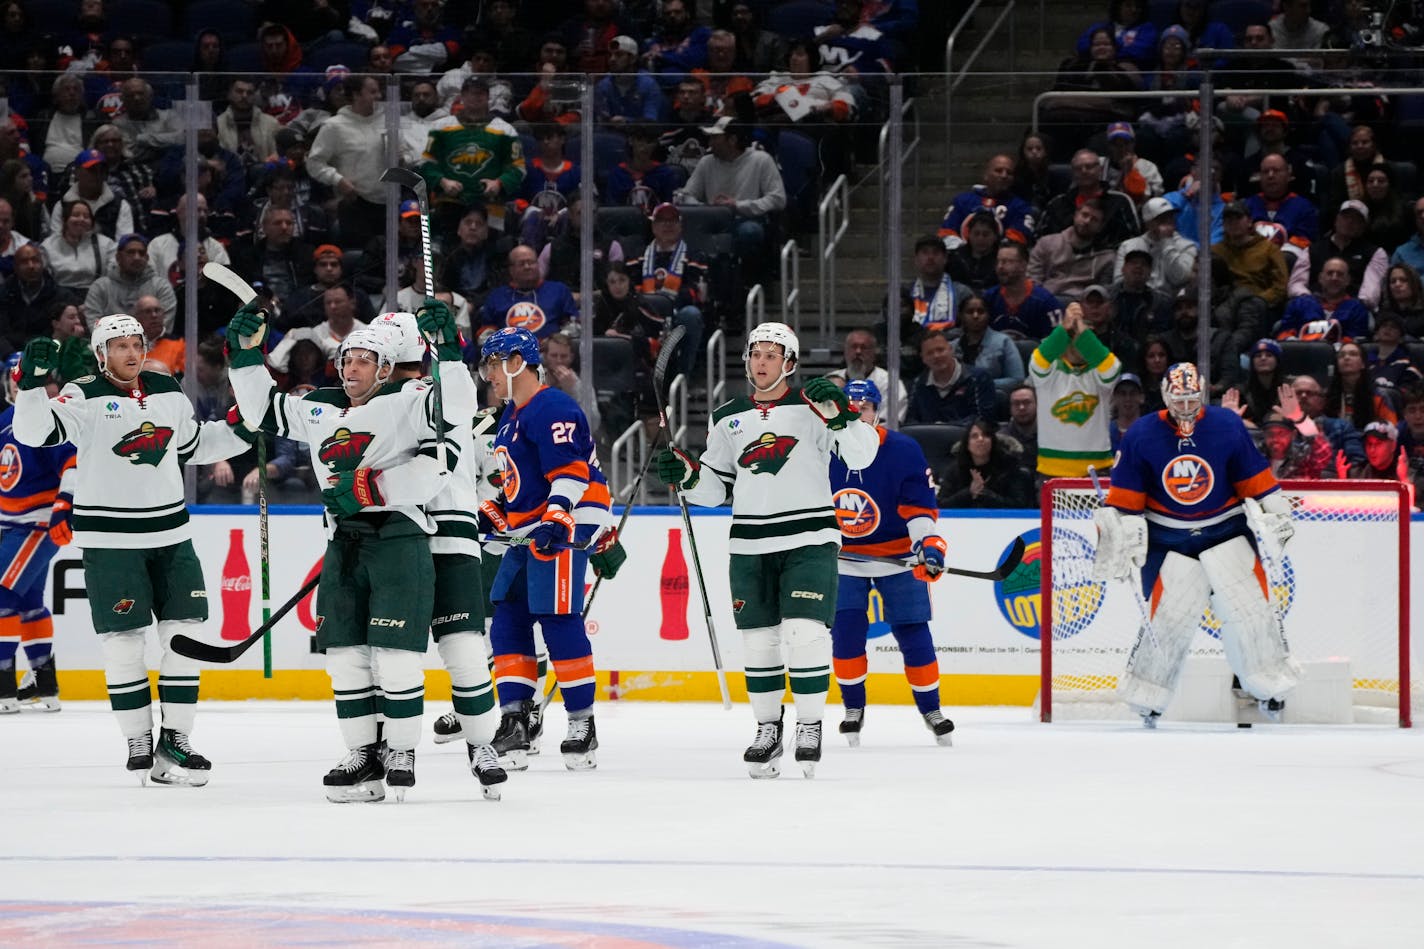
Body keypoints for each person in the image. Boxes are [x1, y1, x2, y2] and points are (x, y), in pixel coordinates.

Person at [225, 303, 459, 803]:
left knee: (395, 657)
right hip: (344, 542)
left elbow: (451, 425)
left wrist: (453, 353)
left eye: (363, 360)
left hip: (398, 536)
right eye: (347, 359)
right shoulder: (319, 409)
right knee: (346, 653)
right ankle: (361, 753)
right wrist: (244, 357)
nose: (351, 367)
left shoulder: (411, 398)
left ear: (386, 368)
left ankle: (400, 750)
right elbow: (259, 410)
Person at [13, 314, 253, 784]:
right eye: (118, 345)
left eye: (136, 343)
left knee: (184, 639)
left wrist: (242, 427)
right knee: (123, 643)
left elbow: (193, 444)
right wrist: (31, 386)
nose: (130, 352)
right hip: (111, 542)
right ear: (101, 355)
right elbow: (34, 434)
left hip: (171, 536)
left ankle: (176, 740)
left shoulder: (167, 392)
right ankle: (138, 738)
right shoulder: (83, 394)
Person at [656, 322, 878, 778]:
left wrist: (839, 415)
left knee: (805, 632)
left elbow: (862, 455)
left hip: (810, 538)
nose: (762, 362)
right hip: (750, 542)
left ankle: (811, 724)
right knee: (758, 641)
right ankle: (767, 728)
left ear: (790, 363)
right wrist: (688, 475)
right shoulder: (726, 416)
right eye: (756, 353)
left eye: (772, 355)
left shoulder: (816, 406)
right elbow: (718, 488)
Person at [1096, 362, 1299, 727]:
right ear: (1164, 394)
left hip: (1226, 529)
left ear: (1202, 392)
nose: (1186, 407)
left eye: (1192, 399)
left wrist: (1277, 514)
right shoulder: (1141, 434)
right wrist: (1120, 532)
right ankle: (1149, 696)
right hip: (1166, 538)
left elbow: (1255, 480)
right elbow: (1124, 502)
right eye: (1179, 399)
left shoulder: (1226, 425)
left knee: (1250, 613)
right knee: (1169, 620)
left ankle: (1270, 688)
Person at [369, 307, 509, 797]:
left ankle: (476, 744)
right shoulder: (367, 403)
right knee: (403, 653)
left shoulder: (443, 394)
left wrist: (451, 354)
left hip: (446, 532)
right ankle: (403, 745)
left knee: (460, 649)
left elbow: (457, 407)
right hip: (394, 535)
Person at [476, 327, 618, 771]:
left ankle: (581, 723)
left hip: (561, 523)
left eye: (493, 364)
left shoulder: (552, 404)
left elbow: (571, 471)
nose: (488, 375)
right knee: (508, 620)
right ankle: (515, 719)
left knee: (557, 620)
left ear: (518, 361)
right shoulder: (510, 418)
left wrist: (558, 514)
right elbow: (520, 482)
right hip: (530, 527)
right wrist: (495, 508)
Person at [827, 380, 955, 745]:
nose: (856, 413)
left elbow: (917, 508)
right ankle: (853, 708)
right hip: (844, 558)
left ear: (877, 411)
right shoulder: (823, 448)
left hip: (897, 556)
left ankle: (932, 708)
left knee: (914, 634)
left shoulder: (902, 450)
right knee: (847, 634)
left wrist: (927, 544)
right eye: (848, 407)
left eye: (863, 407)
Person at [0, 356, 75, 713]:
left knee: (1, 594)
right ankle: (45, 686)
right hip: (11, 525)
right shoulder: (4, 420)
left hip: (38, 524)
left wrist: (65, 503)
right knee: (28, 602)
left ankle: (2, 686)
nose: (19, 384)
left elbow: (71, 463)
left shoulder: (50, 420)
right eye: (16, 378)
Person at [421, 76, 526, 240]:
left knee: (494, 249)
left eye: (480, 93)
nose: (475, 97)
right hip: (450, 202)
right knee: (447, 248)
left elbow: (517, 169)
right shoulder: (440, 127)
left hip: (491, 204)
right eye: (471, 93)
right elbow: (427, 165)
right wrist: (443, 181)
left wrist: (499, 183)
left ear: (487, 97)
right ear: (462, 96)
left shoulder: (505, 130)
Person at [1029, 301, 1122, 479]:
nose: (1077, 341)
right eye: (1072, 336)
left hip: (1096, 471)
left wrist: (1081, 328)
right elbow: (1038, 360)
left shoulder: (1099, 374)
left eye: (1083, 336)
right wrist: (1064, 328)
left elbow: (1112, 368)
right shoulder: (1048, 374)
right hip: (1052, 472)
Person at [625, 203, 707, 378]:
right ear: (653, 226)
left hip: (677, 313)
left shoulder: (694, 255)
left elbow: (695, 290)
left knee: (691, 315)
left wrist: (667, 305)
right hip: (644, 313)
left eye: (672, 221)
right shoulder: (637, 255)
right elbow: (631, 286)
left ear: (680, 226)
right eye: (662, 221)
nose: (667, 225)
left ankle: (683, 376)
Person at [83, 234, 177, 333]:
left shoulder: (161, 287)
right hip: (110, 345)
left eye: (141, 253)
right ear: (118, 257)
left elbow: (163, 327)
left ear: (147, 258)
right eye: (130, 252)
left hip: (152, 346)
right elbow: (94, 325)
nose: (137, 257)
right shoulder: (100, 287)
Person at [938, 153, 1034, 248]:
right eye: (998, 171)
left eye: (1009, 173)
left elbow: (1018, 237)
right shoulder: (962, 201)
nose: (1004, 175)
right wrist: (965, 252)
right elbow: (947, 231)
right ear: (986, 175)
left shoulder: (1020, 206)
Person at [937, 417, 1035, 509]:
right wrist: (968, 492)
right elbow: (941, 505)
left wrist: (985, 494)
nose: (980, 439)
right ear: (967, 444)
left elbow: (1019, 506)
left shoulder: (1010, 467)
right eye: (974, 436)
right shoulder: (955, 469)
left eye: (986, 435)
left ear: (992, 441)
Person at [905, 331, 996, 426]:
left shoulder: (979, 378)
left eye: (940, 350)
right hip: (928, 439)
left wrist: (945, 429)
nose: (936, 356)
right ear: (923, 358)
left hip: (966, 439)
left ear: (951, 350)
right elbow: (911, 421)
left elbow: (983, 419)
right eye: (929, 353)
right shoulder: (916, 385)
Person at [983, 240, 1064, 341]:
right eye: (998, 261)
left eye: (1008, 262)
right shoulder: (989, 298)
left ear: (1023, 265)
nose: (1000, 267)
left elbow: (1057, 342)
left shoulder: (1046, 302)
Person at [825, 328, 908, 425]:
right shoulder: (830, 380)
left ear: (874, 353)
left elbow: (889, 423)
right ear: (845, 351)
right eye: (853, 347)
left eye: (864, 347)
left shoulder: (891, 383)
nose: (858, 351)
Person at [954, 292, 1026, 393]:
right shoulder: (952, 347)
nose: (975, 316)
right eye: (970, 312)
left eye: (981, 311)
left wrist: (981, 384)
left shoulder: (1003, 342)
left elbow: (1017, 380)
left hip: (993, 398)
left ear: (988, 315)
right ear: (961, 316)